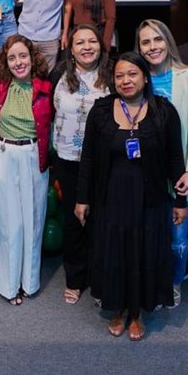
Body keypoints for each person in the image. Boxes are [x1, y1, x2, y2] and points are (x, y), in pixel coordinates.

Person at [75, 52, 187, 341]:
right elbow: (87, 158)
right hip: (110, 199)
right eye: (120, 75)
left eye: (132, 74)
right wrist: (82, 198)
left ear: (145, 77)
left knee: (143, 253)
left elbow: (176, 158)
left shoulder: (163, 111)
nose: (126, 80)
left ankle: (137, 312)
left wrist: (180, 200)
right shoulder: (100, 111)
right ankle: (119, 308)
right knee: (115, 254)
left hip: (150, 200)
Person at [136, 19, 188, 306]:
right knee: (149, 234)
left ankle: (174, 282)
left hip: (183, 175)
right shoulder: (138, 78)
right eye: (145, 42)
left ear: (168, 41)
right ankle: (150, 281)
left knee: (177, 237)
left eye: (157, 40)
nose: (152, 47)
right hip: (145, 176)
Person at [0, 34, 54, 304]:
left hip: (33, 156)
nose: (18, 62)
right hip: (4, 156)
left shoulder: (46, 88)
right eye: (12, 57)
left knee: (33, 221)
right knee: (8, 223)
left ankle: (29, 282)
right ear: (6, 62)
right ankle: (7, 285)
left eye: (23, 56)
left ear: (32, 57)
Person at [51, 24, 112, 304]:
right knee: (74, 220)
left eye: (92, 41)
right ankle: (75, 278)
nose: (87, 47)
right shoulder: (59, 75)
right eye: (80, 43)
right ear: (71, 49)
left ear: (101, 45)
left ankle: (101, 278)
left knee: (102, 221)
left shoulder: (112, 74)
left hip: (104, 162)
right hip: (68, 160)